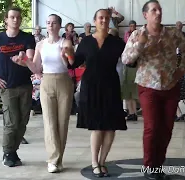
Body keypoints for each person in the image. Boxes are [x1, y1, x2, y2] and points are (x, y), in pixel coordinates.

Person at [121, 1, 185, 179]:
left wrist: (181, 70)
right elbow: (126, 60)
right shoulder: (137, 34)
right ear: (145, 15)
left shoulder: (172, 33)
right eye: (154, 10)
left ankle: (158, 165)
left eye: (159, 9)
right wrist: (140, 45)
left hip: (170, 85)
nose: (158, 13)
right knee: (152, 127)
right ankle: (149, 166)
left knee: (167, 127)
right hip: (148, 86)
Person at [13, 14, 74, 173]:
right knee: (49, 122)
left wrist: (66, 54)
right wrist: (25, 61)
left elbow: (70, 62)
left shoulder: (65, 42)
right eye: (48, 23)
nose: (51, 25)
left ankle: (58, 159)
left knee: (62, 122)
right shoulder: (40, 44)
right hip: (46, 81)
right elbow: (36, 68)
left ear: (59, 26)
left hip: (63, 82)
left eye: (54, 23)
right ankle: (53, 159)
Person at [71, 9, 127, 177]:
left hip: (111, 85)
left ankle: (103, 161)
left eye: (106, 18)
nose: (104, 20)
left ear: (109, 20)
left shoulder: (117, 42)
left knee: (111, 127)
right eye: (100, 18)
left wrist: (137, 46)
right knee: (96, 126)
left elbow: (130, 61)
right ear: (95, 21)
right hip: (91, 86)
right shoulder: (86, 42)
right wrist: (68, 55)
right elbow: (76, 63)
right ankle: (95, 162)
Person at [0, 7, 36, 167]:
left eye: (18, 17)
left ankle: (13, 150)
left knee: (22, 121)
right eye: (12, 17)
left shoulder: (27, 38)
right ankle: (7, 153)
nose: (15, 20)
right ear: (6, 20)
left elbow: (30, 57)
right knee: (11, 121)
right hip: (7, 86)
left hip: (25, 85)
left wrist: (23, 58)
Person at [122, 20, 138, 121]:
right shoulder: (126, 35)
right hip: (128, 66)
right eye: (130, 26)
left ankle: (133, 112)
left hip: (133, 66)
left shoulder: (137, 35)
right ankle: (132, 113)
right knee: (128, 93)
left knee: (131, 91)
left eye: (133, 26)